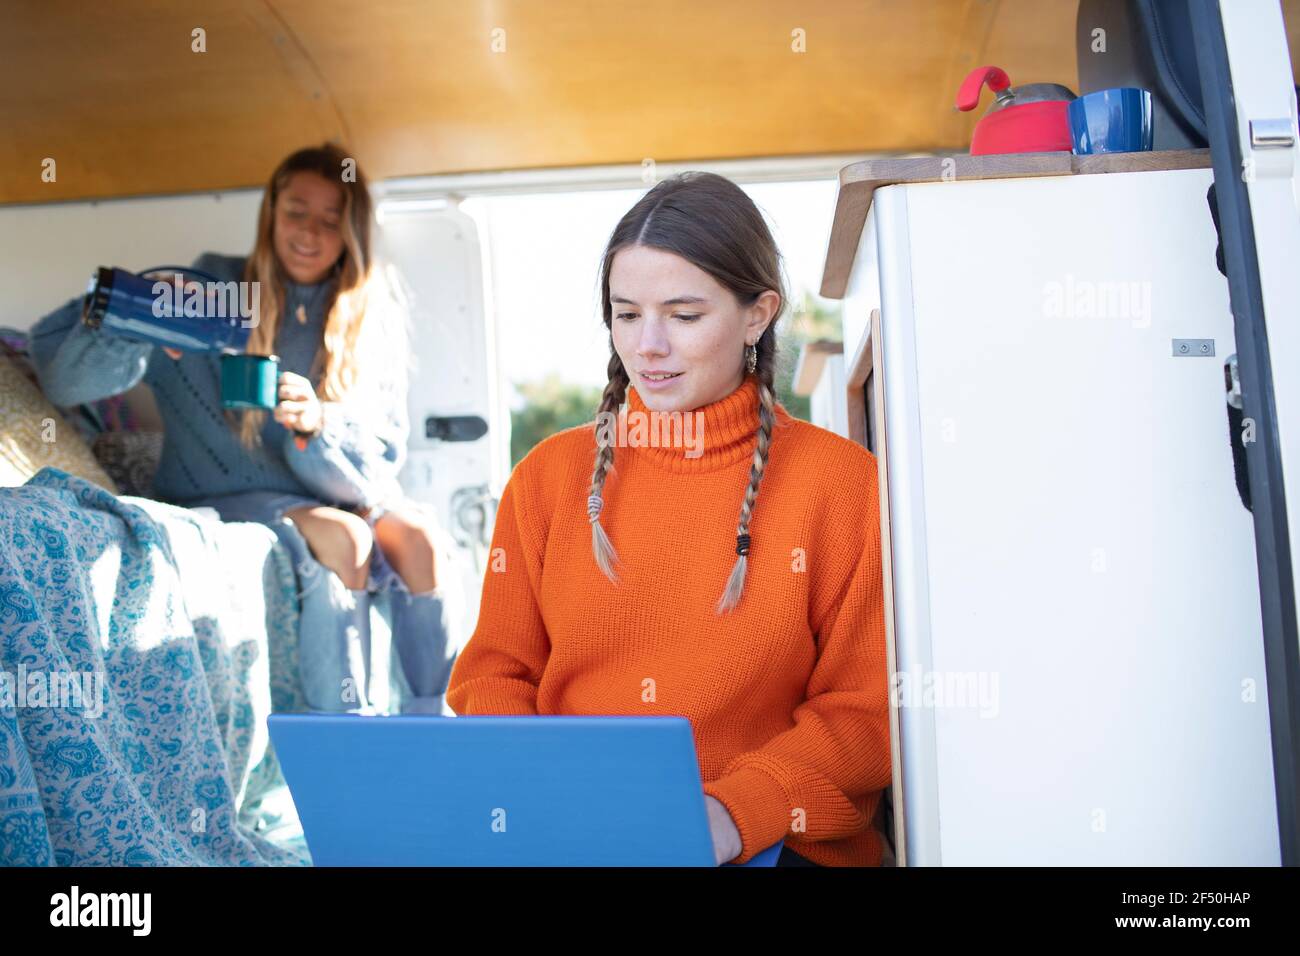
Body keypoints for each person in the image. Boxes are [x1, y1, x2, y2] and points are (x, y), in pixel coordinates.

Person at [446, 171, 890, 865]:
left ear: (757, 313)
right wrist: (542, 798)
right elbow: (492, 678)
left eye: (684, 317)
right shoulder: (544, 479)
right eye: (626, 314)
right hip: (575, 839)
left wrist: (729, 815)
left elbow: (865, 714)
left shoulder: (841, 485)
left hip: (770, 844)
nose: (648, 345)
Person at [29, 143, 457, 714]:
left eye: (331, 220)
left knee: (420, 538)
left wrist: (318, 425)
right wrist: (131, 311)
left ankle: (435, 723)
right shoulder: (213, 292)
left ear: (350, 234)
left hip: (329, 489)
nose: (310, 232)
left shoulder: (364, 317)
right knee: (347, 538)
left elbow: (379, 461)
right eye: (296, 211)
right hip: (218, 489)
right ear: (271, 214)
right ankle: (344, 728)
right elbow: (61, 380)